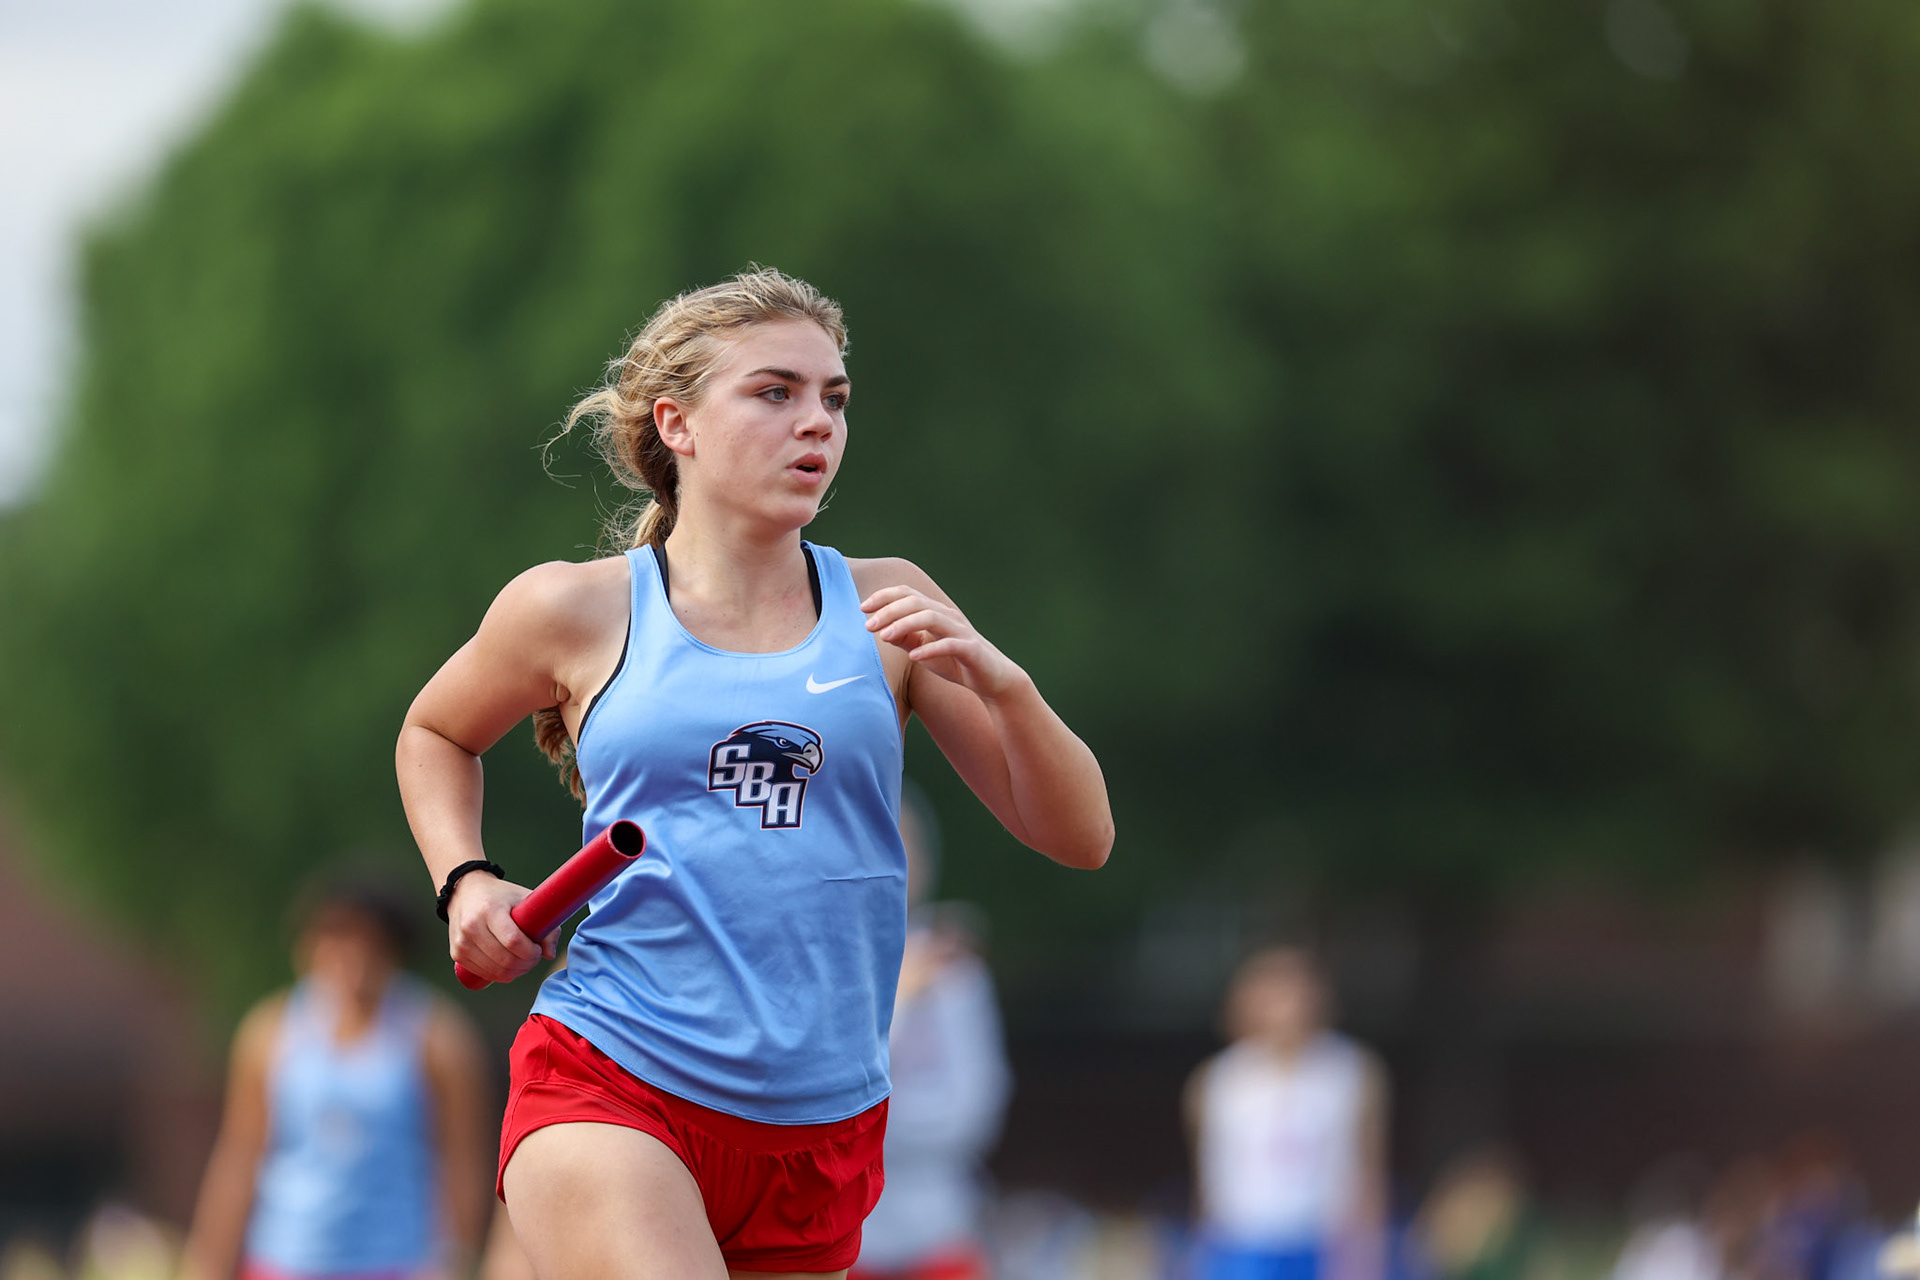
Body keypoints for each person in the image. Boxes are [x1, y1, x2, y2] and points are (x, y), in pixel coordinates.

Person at [395, 269, 1113, 1280]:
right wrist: (464, 878)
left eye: (834, 398)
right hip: (614, 1072)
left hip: (821, 1120)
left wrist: (1012, 689)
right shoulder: (572, 610)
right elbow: (434, 729)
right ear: (676, 422)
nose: (814, 421)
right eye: (775, 391)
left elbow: (1079, 836)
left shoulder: (889, 605)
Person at [180, 880, 491, 1280]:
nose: (348, 958)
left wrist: (453, 1256)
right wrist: (208, 1260)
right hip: (286, 1257)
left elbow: (462, 1161)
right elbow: (240, 1155)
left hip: (395, 1260)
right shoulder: (271, 1031)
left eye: (365, 944)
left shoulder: (436, 1038)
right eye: (334, 941)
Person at [851, 789, 1012, 1280]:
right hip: (843, 1237)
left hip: (939, 1230)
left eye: (907, 844)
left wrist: (871, 1127)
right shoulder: (825, 963)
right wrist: (897, 1003)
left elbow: (974, 1108)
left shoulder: (954, 970)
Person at [1184, 947, 1389, 1280]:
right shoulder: (1218, 1081)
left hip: (1321, 1239)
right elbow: (1208, 1178)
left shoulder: (1349, 1072)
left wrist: (1366, 1253)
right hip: (1242, 1240)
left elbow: (1368, 1171)